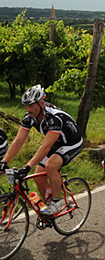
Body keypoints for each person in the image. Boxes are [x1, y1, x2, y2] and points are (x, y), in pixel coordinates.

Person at [0, 85, 83, 214]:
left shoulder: (54, 118)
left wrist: (27, 166)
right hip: (57, 142)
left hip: (72, 143)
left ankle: (56, 202)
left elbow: (45, 147)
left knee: (51, 166)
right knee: (38, 174)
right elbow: (18, 141)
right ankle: (47, 202)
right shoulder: (29, 118)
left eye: (31, 105)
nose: (28, 109)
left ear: (41, 103)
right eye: (26, 106)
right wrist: (4, 161)